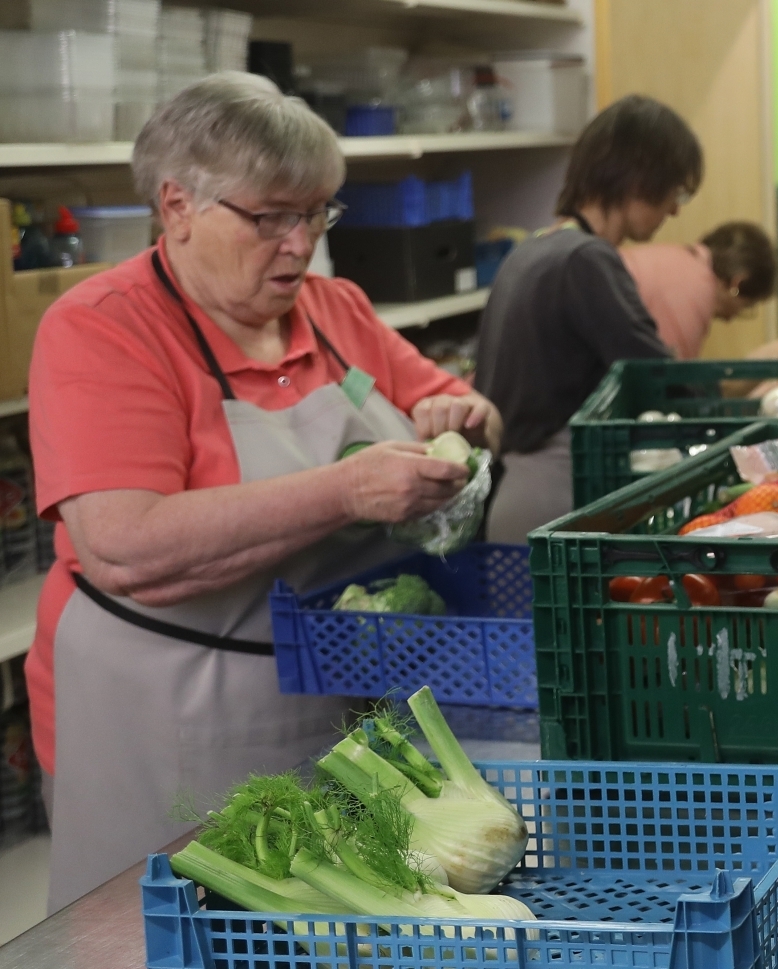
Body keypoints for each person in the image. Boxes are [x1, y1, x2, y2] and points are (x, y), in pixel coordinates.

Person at [26, 72, 501, 910]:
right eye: (270, 217)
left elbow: (461, 409)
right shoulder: (104, 327)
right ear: (177, 206)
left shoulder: (334, 309)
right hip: (164, 709)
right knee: (167, 928)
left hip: (338, 700)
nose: (300, 244)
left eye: (316, 213)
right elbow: (123, 542)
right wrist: (346, 490)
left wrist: (461, 414)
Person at [477, 96, 778, 544]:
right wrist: (765, 371)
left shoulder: (536, 248)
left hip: (510, 485)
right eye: (676, 192)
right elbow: (664, 382)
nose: (675, 210)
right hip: (548, 493)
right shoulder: (586, 261)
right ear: (639, 180)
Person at [620, 220, 778, 359]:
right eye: (745, 307)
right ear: (737, 285)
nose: (730, 319)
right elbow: (671, 377)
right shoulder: (695, 286)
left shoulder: (679, 261)